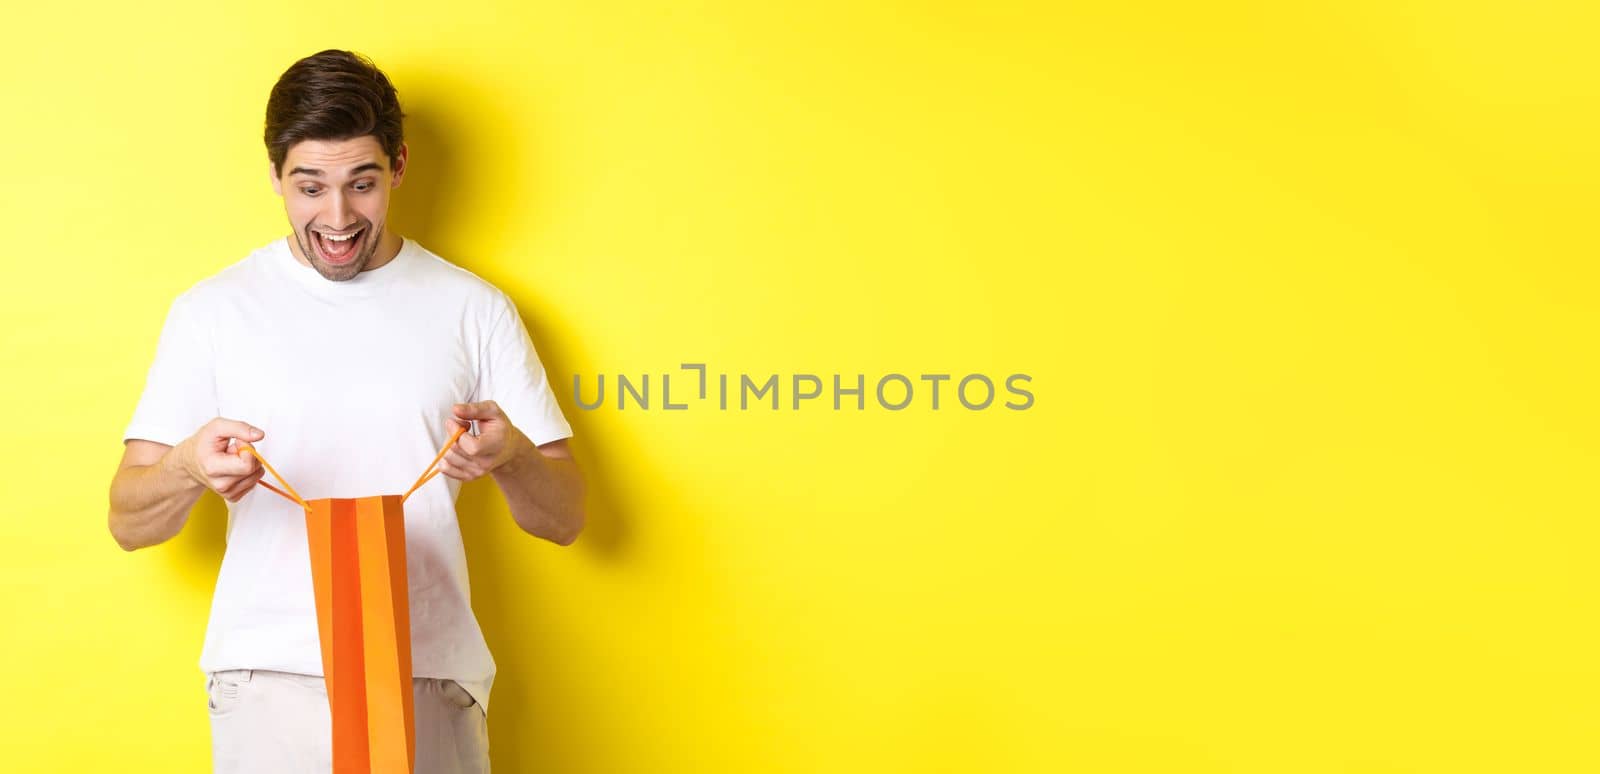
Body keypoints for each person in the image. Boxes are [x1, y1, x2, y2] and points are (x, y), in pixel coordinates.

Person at [105, 49, 585, 774]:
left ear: (397, 166)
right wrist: (185, 465)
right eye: (310, 187)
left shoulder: (474, 308)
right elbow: (127, 520)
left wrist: (513, 455)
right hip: (268, 676)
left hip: (428, 671)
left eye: (361, 184)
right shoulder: (213, 311)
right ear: (274, 177)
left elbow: (566, 518)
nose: (337, 218)